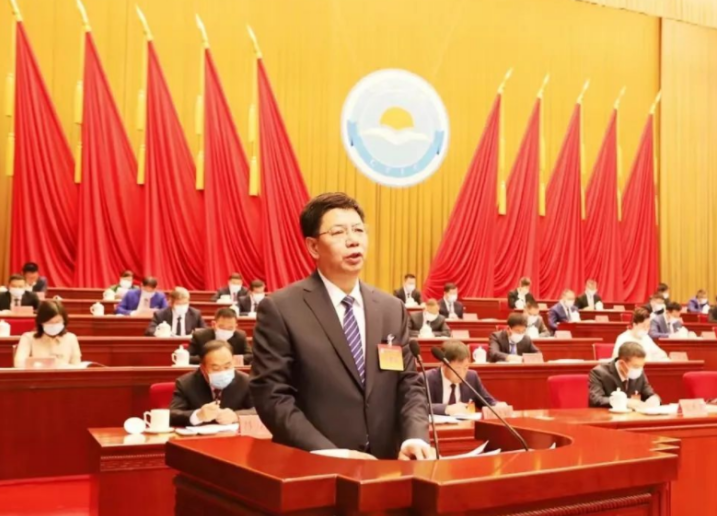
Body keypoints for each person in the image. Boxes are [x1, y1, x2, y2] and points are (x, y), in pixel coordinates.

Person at [250, 192, 431, 461]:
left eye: (358, 230)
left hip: (385, 466)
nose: (353, 240)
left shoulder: (391, 309)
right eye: (338, 232)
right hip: (315, 467)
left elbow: (407, 383)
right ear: (313, 247)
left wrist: (413, 436)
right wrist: (329, 453)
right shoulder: (281, 309)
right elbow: (272, 395)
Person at [169, 340, 255, 427]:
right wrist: (198, 415)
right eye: (215, 368)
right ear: (203, 368)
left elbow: (259, 409)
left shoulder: (245, 381)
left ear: (233, 361)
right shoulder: (185, 383)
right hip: (200, 434)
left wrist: (235, 416)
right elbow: (172, 414)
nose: (222, 372)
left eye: (227, 366)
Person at [425, 341, 497, 415]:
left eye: (465, 367)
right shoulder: (426, 378)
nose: (462, 374)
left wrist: (498, 406)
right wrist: (446, 409)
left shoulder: (472, 377)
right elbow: (419, 406)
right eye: (457, 369)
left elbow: (488, 402)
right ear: (443, 364)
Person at [589, 341, 660, 408]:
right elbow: (596, 399)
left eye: (641, 366)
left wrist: (654, 399)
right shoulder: (599, 373)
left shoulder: (639, 372)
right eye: (636, 366)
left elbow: (649, 393)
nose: (639, 369)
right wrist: (625, 402)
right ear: (621, 364)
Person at [13, 300, 81, 368]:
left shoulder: (71, 338)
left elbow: (76, 366)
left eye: (58, 322)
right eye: (50, 322)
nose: (54, 325)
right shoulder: (28, 338)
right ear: (41, 322)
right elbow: (19, 365)